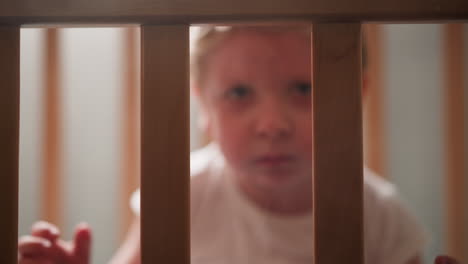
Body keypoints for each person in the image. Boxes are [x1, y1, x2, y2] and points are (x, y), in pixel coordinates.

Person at [17, 25, 454, 264]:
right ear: (202, 106)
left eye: (303, 88)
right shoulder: (183, 194)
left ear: (353, 98)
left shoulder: (378, 213)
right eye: (239, 94)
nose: (272, 124)